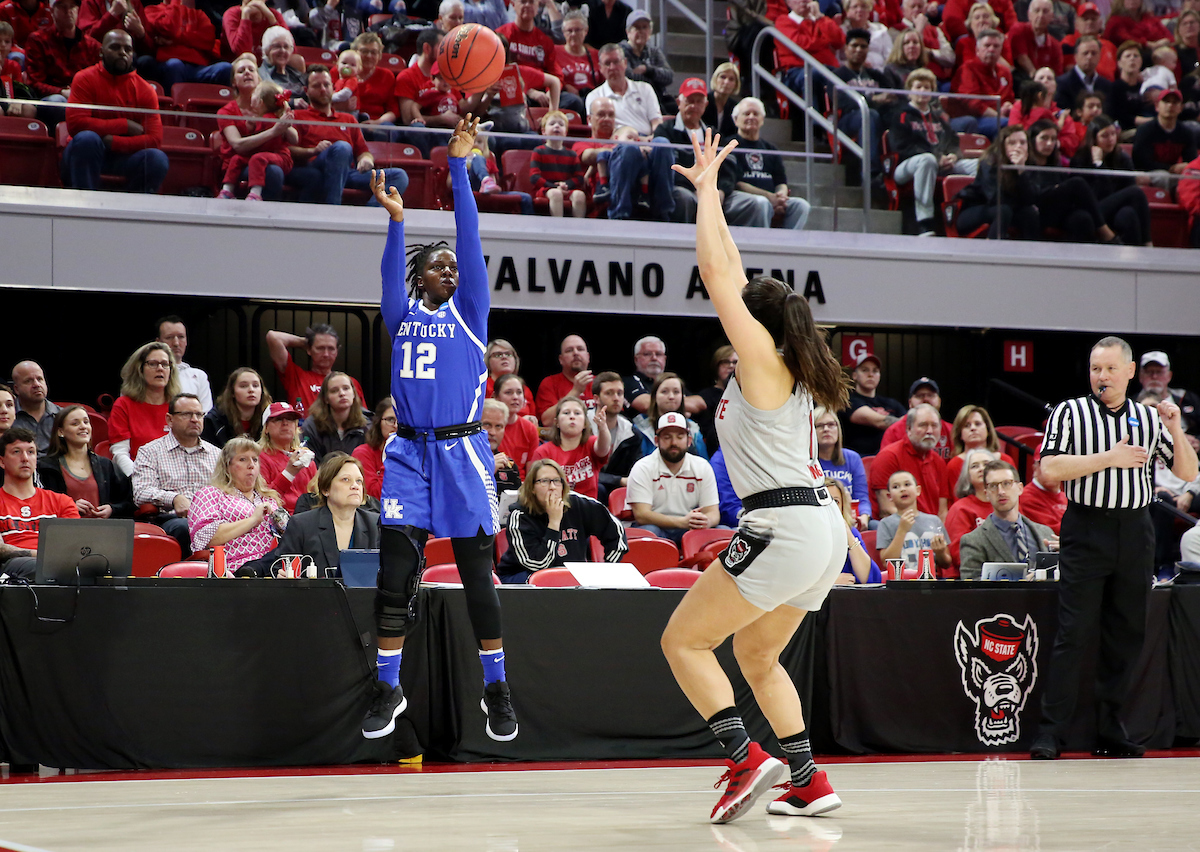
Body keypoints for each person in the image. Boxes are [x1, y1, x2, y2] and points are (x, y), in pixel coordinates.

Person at [660, 130, 850, 824]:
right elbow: (733, 272)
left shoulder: (763, 363)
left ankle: (745, 757)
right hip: (818, 529)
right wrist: (711, 186)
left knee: (683, 640)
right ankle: (807, 778)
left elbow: (717, 278)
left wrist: (707, 191)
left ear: (757, 329)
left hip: (781, 524)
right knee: (756, 653)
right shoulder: (789, 366)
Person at [364, 118, 519, 746]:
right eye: (440, 267)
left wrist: (458, 167)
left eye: (457, 267)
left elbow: (470, 233)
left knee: (478, 575)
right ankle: (387, 684)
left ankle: (497, 688)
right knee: (395, 572)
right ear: (417, 277)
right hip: (407, 453)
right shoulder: (399, 313)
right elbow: (387, 275)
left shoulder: (471, 313)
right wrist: (397, 222)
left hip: (463, 451)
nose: (453, 271)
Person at [1030, 336, 1197, 760]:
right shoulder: (1070, 412)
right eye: (1094, 369)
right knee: (1074, 632)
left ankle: (1111, 728)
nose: (1100, 376)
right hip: (1086, 528)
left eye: (1108, 368)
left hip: (1135, 529)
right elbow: (1049, 469)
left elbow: (1187, 470)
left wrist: (1175, 427)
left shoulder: (1147, 415)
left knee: (1126, 633)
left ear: (1129, 371)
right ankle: (1051, 731)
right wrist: (1109, 457)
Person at [62, 30, 169, 193]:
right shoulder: (84, 78)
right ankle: (85, 207)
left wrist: (113, 142)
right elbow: (77, 124)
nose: (122, 53)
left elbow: (154, 139)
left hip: (124, 157)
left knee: (157, 159)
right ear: (101, 51)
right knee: (87, 138)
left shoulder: (145, 90)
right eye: (115, 47)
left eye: (128, 49)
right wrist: (125, 125)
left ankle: (130, 211)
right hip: (83, 154)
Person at [289, 65, 409, 204]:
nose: (323, 89)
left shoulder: (348, 119)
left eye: (326, 85)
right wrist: (312, 151)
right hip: (315, 168)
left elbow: (363, 152)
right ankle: (333, 209)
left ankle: (365, 220)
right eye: (317, 86)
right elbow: (288, 150)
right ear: (306, 91)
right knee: (342, 147)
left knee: (399, 176)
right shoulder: (297, 116)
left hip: (347, 173)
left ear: (333, 88)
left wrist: (366, 160)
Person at [495, 457, 627, 583]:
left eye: (557, 481)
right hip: (522, 575)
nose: (552, 487)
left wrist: (609, 568)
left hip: (570, 575)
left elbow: (616, 531)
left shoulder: (578, 504)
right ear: (532, 488)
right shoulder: (519, 515)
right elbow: (538, 564)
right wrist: (554, 523)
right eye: (544, 481)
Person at [891, 68, 979, 235]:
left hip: (940, 163)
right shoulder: (901, 115)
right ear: (909, 91)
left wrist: (954, 156)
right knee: (927, 160)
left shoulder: (939, 118)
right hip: (906, 166)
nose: (923, 91)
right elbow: (903, 147)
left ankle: (971, 209)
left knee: (978, 165)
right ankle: (924, 222)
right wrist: (937, 157)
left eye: (927, 87)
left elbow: (953, 141)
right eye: (918, 87)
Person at [131, 392, 221, 554]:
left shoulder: (217, 454)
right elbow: (140, 492)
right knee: (185, 527)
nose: (195, 419)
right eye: (187, 414)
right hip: (172, 519)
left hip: (213, 518)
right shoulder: (150, 451)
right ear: (169, 420)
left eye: (199, 414)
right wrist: (174, 499)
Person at [188, 436, 284, 575]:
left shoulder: (268, 498)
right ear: (227, 466)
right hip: (232, 569)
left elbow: (290, 534)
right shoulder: (210, 494)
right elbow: (206, 538)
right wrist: (252, 520)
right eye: (243, 459)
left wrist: (280, 520)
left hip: (272, 567)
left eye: (255, 460)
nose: (251, 465)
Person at [275, 453, 381, 575]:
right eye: (346, 480)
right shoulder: (302, 525)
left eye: (359, 481)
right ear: (326, 489)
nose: (355, 486)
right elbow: (281, 567)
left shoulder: (375, 524)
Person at [626, 412, 720, 546]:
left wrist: (706, 521)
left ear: (689, 441)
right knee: (649, 531)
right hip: (656, 527)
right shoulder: (643, 467)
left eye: (680, 437)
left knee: (725, 531)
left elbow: (713, 513)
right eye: (667, 437)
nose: (674, 442)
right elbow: (641, 515)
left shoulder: (702, 466)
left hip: (690, 528)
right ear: (656, 441)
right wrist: (681, 522)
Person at [0, 427, 79, 579]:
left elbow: (72, 547)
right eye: (16, 452)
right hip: (10, 567)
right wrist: (39, 554)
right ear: (2, 461)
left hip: (57, 564)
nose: (25, 458)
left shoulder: (62, 502)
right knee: (42, 567)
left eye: (30, 452)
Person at [959, 459, 1058, 579]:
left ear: (1020, 488)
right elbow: (970, 585)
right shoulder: (973, 541)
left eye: (1007, 483)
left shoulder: (1046, 533)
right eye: (993, 486)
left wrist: (1066, 557)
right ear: (986, 493)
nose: (1001, 492)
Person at [1027, 117, 1120, 242]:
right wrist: (1055, 189)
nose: (1049, 143)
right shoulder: (1025, 164)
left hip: (1059, 210)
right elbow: (1031, 193)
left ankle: (1089, 257)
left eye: (1053, 139)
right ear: (1033, 140)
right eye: (1044, 138)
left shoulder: (1055, 163)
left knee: (1083, 218)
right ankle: (1106, 233)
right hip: (1038, 211)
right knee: (1077, 182)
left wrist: (1058, 189)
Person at [215, 55, 296, 201]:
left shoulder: (274, 107)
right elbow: (238, 145)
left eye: (251, 69)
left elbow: (293, 138)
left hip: (271, 157)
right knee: (272, 171)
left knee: (312, 176)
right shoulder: (226, 112)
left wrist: (283, 120)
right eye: (241, 71)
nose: (247, 72)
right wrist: (274, 131)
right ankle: (230, 193)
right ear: (234, 82)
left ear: (259, 78)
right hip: (243, 162)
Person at [728, 96, 812, 230]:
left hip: (771, 198)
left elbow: (781, 181)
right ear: (735, 120)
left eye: (756, 114)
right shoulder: (728, 145)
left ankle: (786, 245)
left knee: (801, 205)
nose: (751, 117)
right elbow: (736, 183)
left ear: (762, 120)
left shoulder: (770, 149)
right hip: (741, 199)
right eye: (746, 113)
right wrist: (769, 197)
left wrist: (781, 197)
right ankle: (761, 246)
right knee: (762, 203)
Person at [1070, 114, 1153, 246]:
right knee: (1136, 192)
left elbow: (1128, 189)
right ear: (1094, 138)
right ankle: (1148, 243)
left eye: (1113, 134)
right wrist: (1099, 164)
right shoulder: (1080, 159)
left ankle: (1135, 258)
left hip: (1115, 209)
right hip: (1092, 210)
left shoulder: (1122, 158)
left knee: (1128, 214)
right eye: (1105, 136)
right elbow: (1097, 194)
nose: (1111, 140)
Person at [37, 405, 133, 519]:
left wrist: (112, 509)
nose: (83, 426)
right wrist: (69, 505)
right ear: (61, 432)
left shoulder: (106, 465)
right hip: (64, 531)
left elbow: (129, 502)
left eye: (86, 422)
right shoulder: (46, 467)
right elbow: (39, 503)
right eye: (75, 424)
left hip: (102, 531)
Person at [956, 124, 1042, 238]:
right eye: (1012, 143)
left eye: (1022, 142)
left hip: (1008, 209)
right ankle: (993, 251)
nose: (1018, 147)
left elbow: (1031, 199)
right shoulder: (990, 162)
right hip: (974, 210)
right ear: (1002, 146)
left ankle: (1032, 252)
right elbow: (995, 198)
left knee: (1030, 213)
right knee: (1003, 210)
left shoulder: (1028, 163)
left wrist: (1021, 171)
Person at [109, 341, 180, 476]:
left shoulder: (178, 405)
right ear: (140, 369)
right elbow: (120, 453)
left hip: (176, 477)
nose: (160, 368)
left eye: (165, 364)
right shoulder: (123, 405)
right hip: (138, 476)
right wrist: (140, 479)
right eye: (153, 364)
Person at [868, 403, 949, 519]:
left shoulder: (939, 462)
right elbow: (887, 509)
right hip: (898, 530)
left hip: (932, 532)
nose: (930, 431)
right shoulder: (889, 457)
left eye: (935, 426)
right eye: (923, 425)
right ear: (908, 429)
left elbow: (942, 512)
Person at [24, 0, 101, 119]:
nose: (68, 11)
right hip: (52, 99)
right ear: (52, 10)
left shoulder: (93, 46)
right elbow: (34, 83)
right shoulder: (38, 40)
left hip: (83, 97)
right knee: (58, 102)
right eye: (62, 6)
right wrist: (61, 92)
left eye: (72, 7)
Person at [267, 322, 365, 415]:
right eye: (320, 348)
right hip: (306, 431)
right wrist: (305, 342)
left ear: (337, 351)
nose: (326, 354)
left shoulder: (349, 383)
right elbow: (273, 337)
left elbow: (364, 419)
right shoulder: (296, 376)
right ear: (309, 349)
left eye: (331, 348)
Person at [137, 0, 231, 94]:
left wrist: (175, 40)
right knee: (175, 65)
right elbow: (169, 29)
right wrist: (176, 4)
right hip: (169, 65)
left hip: (198, 68)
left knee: (226, 68)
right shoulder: (151, 11)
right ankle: (174, 107)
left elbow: (208, 40)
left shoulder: (199, 15)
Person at [529, 396, 612, 499]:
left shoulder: (591, 443)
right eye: (566, 413)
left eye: (577, 413)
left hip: (587, 509)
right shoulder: (543, 452)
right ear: (557, 422)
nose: (572, 416)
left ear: (585, 423)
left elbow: (603, 448)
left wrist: (603, 428)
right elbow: (534, 486)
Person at [876, 469, 952, 573]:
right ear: (889, 496)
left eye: (907, 484)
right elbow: (886, 562)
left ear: (918, 490)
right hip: (901, 583)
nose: (902, 489)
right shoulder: (885, 524)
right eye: (896, 487)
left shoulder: (934, 520)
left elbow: (946, 563)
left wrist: (940, 552)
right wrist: (901, 531)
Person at [585, 43, 663, 138]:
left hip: (648, 140)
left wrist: (653, 138)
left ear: (625, 63)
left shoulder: (645, 88)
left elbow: (656, 121)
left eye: (616, 62)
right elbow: (596, 130)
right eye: (607, 63)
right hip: (617, 142)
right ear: (600, 68)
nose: (612, 67)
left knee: (663, 142)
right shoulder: (594, 97)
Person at [948, 28, 1014, 138]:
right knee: (1007, 124)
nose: (991, 49)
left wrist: (1008, 106)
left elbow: (1009, 98)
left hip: (998, 116)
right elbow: (972, 102)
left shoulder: (1005, 72)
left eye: (996, 46)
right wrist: (997, 115)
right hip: (973, 118)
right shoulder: (968, 69)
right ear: (977, 50)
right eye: (987, 46)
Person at [815, 406, 871, 529]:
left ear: (838, 429)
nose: (826, 429)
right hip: (821, 520)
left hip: (851, 518)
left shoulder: (852, 458)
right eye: (819, 426)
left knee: (875, 525)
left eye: (831, 425)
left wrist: (864, 517)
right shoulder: (808, 462)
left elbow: (862, 496)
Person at [631, 371, 709, 459]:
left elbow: (703, 463)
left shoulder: (693, 429)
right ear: (654, 396)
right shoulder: (641, 429)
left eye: (676, 392)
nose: (671, 396)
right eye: (664, 392)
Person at [840, 352, 905, 457]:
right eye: (865, 370)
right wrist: (905, 424)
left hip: (889, 459)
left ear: (879, 375)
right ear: (855, 375)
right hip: (858, 461)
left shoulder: (891, 403)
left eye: (875, 371)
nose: (870, 374)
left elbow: (909, 424)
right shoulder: (848, 400)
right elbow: (878, 421)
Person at [943, 446, 998, 571]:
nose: (981, 469)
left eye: (986, 464)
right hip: (967, 577)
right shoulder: (960, 509)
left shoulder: (1007, 505)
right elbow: (959, 554)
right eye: (974, 466)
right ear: (967, 476)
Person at [258, 401, 317, 512]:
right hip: (278, 520)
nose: (285, 423)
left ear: (296, 427)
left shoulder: (306, 457)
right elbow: (262, 501)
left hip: (309, 519)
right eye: (278, 419)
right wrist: (288, 474)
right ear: (266, 428)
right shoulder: (259, 458)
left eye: (290, 419)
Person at [1132, 88, 1197, 189]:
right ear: (1157, 106)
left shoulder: (1186, 132)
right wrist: (1170, 168)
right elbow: (1141, 162)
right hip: (1148, 173)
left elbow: (1192, 160)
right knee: (1163, 176)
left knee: (1192, 177)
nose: (1170, 105)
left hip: (1173, 173)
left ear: (1180, 108)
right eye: (1166, 101)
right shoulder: (1145, 130)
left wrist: (1186, 166)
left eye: (1175, 102)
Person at [943, 403, 1016, 492]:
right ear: (960, 434)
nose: (973, 428)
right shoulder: (954, 465)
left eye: (978, 424)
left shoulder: (1005, 460)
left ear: (988, 430)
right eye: (967, 426)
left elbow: (1015, 494)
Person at [300, 371, 368, 462]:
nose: (342, 393)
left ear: (354, 394)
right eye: (334, 391)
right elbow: (311, 466)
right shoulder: (312, 426)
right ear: (326, 399)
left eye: (346, 388)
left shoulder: (368, 424)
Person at [1139, 350, 1200, 450]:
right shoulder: (1130, 402)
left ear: (1169, 376)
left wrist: (1197, 441)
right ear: (1141, 376)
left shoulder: (1187, 399)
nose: (1154, 377)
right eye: (1149, 372)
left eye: (1159, 372)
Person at [530, 110, 587, 217]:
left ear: (565, 132)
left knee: (579, 195)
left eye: (561, 124)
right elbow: (534, 177)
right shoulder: (538, 151)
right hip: (545, 189)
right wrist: (553, 187)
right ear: (543, 131)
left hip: (566, 189)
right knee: (556, 194)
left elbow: (579, 177)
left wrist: (566, 185)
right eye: (552, 124)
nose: (557, 126)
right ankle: (557, 229)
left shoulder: (572, 154)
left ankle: (578, 230)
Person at [827, 479, 880, 583]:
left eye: (836, 501)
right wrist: (830, 583)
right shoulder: (805, 535)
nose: (831, 507)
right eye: (826, 501)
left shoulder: (851, 532)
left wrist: (850, 538)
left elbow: (871, 579)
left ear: (842, 507)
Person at [202, 367, 270, 448]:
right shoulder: (213, 421)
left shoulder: (270, 419)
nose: (251, 390)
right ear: (232, 392)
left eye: (255, 385)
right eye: (244, 386)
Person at [620, 9, 673, 111]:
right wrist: (655, 80)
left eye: (645, 27)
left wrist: (648, 70)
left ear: (650, 31)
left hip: (656, 98)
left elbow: (669, 76)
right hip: (630, 99)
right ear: (628, 32)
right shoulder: (620, 51)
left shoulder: (654, 52)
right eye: (637, 28)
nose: (642, 31)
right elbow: (628, 77)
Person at [156, 316, 212, 413]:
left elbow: (206, 414)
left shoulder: (199, 376)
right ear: (158, 342)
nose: (176, 343)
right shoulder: (149, 373)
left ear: (186, 341)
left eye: (181, 337)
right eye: (169, 337)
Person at [535, 334, 593, 424]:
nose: (576, 353)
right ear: (561, 359)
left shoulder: (601, 383)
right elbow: (547, 421)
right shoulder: (549, 383)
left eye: (580, 349)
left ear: (588, 356)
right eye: (569, 350)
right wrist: (575, 391)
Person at [493, 374, 541, 477]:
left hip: (521, 486)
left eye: (519, 392)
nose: (515, 397)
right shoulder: (487, 428)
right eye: (508, 392)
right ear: (495, 397)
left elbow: (531, 472)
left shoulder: (530, 428)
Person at [11, 360, 59, 453]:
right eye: (28, 381)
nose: (37, 384)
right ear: (16, 389)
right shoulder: (7, 416)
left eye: (40, 379)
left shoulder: (62, 416)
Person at [1008, 0, 1062, 82]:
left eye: (1045, 11)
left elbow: (1057, 73)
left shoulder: (1055, 45)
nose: (1040, 15)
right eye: (1037, 11)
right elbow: (1022, 58)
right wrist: (1036, 77)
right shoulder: (1019, 30)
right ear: (1029, 14)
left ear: (1052, 16)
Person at [352, 397, 395, 501]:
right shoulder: (362, 453)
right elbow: (372, 496)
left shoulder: (415, 453)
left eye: (401, 421)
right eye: (390, 420)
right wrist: (393, 457)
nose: (396, 426)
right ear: (378, 422)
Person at [696, 346, 736, 453]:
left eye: (735, 362)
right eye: (726, 362)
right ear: (716, 366)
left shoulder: (746, 395)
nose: (731, 366)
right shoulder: (706, 395)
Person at [555, 11, 602, 103]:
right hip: (567, 99)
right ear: (563, 33)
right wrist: (565, 86)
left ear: (586, 31)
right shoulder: (554, 52)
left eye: (577, 30)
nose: (573, 34)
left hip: (592, 99)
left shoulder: (596, 55)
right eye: (569, 31)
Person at [1056, 34, 1112, 110]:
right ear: (1075, 56)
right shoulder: (1062, 84)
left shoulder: (1106, 86)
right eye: (1085, 53)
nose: (1089, 57)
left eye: (1093, 53)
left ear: (1099, 56)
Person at [1019, 451, 1067, 533]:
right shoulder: (1026, 497)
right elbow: (1051, 531)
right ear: (1035, 468)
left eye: (1055, 465)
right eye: (1046, 465)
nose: (1051, 470)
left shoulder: (1066, 496)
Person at [258, 25, 306, 103]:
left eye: (286, 47)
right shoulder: (260, 74)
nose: (282, 51)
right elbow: (268, 99)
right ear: (266, 50)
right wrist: (292, 103)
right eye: (277, 46)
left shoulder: (295, 74)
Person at [1103, 0, 1172, 51]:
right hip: (1129, 54)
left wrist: (1165, 41)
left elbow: (1168, 35)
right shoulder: (1115, 21)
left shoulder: (1148, 17)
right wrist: (1148, 44)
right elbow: (1126, 39)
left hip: (1159, 50)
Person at [704, 62, 741, 139]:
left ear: (736, 84)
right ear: (715, 79)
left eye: (731, 79)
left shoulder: (736, 107)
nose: (726, 82)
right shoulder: (703, 101)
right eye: (723, 77)